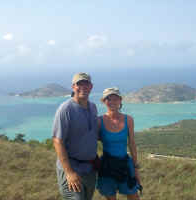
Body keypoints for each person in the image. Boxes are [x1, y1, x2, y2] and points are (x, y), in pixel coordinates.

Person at [52, 72, 98, 200]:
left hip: (89, 169)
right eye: (79, 84)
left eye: (86, 84)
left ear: (91, 87)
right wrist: (69, 172)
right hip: (72, 169)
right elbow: (57, 141)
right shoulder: (66, 109)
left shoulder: (93, 107)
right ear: (73, 87)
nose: (83, 87)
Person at [97, 87, 141, 200]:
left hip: (125, 165)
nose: (112, 102)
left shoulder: (128, 120)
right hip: (107, 166)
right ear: (104, 101)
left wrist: (136, 168)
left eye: (115, 98)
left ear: (120, 100)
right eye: (108, 99)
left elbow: (132, 144)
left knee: (134, 196)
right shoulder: (99, 121)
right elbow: (91, 142)